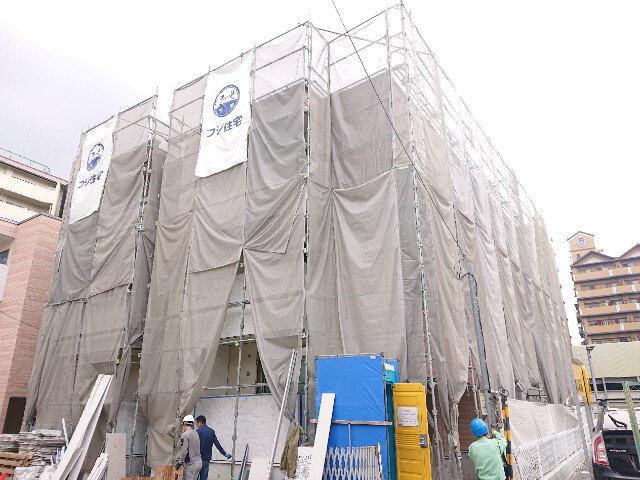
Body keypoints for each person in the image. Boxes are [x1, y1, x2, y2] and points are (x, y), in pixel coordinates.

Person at [196, 415, 231, 480]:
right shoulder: (211, 431)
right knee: (204, 477)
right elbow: (217, 444)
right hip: (206, 459)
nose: (197, 425)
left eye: (197, 423)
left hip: (198, 459)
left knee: (196, 477)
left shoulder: (197, 431)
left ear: (200, 422)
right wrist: (225, 454)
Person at [176, 415, 202, 480]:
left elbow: (184, 451)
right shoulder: (195, 433)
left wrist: (180, 462)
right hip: (198, 462)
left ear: (184, 423)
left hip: (191, 464)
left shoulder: (185, 435)